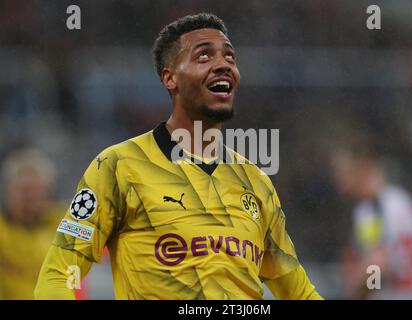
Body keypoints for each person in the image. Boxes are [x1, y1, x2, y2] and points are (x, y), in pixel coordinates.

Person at [34, 13, 322, 300]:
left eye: (230, 57)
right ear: (170, 78)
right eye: (204, 56)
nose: (223, 65)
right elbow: (57, 276)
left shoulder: (256, 182)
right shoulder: (117, 168)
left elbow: (300, 293)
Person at [332, 147, 412, 299]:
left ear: (361, 168)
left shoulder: (371, 209)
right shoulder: (401, 200)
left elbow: (377, 264)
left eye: (342, 170)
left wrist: (361, 293)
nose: (338, 178)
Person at [0, 148, 61, 299]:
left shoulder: (62, 225)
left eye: (36, 191)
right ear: (8, 190)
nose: (30, 199)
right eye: (23, 191)